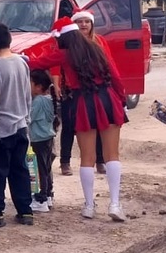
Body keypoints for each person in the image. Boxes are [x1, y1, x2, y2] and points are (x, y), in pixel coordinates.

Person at [28, 17, 129, 221]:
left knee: (87, 157)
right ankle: (115, 204)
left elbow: (36, 62)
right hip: (108, 98)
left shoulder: (64, 54)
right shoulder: (97, 46)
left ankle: (89, 205)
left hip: (83, 102)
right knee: (112, 155)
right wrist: (122, 98)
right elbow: (115, 74)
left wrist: (17, 56)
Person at [0, 23, 35, 227]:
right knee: (20, 169)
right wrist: (26, 119)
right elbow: (28, 95)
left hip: (1, 129)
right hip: (21, 125)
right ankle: (25, 211)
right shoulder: (22, 62)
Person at [60, 11, 106, 176]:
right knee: (68, 126)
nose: (84, 25)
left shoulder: (99, 42)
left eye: (87, 21)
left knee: (98, 126)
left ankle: (100, 160)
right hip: (71, 91)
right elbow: (53, 61)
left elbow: (110, 64)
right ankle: (65, 162)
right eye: (80, 22)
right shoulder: (66, 44)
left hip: (94, 91)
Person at [28, 69, 57, 213]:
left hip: (37, 139)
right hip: (47, 138)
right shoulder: (49, 99)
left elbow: (29, 117)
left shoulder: (38, 101)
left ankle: (40, 199)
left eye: (30, 83)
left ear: (38, 86)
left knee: (38, 170)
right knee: (46, 169)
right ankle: (48, 194)